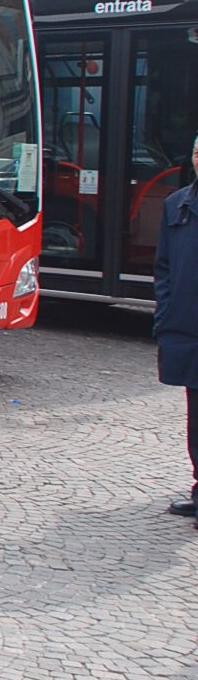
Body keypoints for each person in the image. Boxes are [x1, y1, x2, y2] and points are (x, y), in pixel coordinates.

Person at [154, 130, 198, 524]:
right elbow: (164, 270)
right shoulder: (177, 205)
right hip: (187, 329)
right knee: (196, 418)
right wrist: (165, 315)